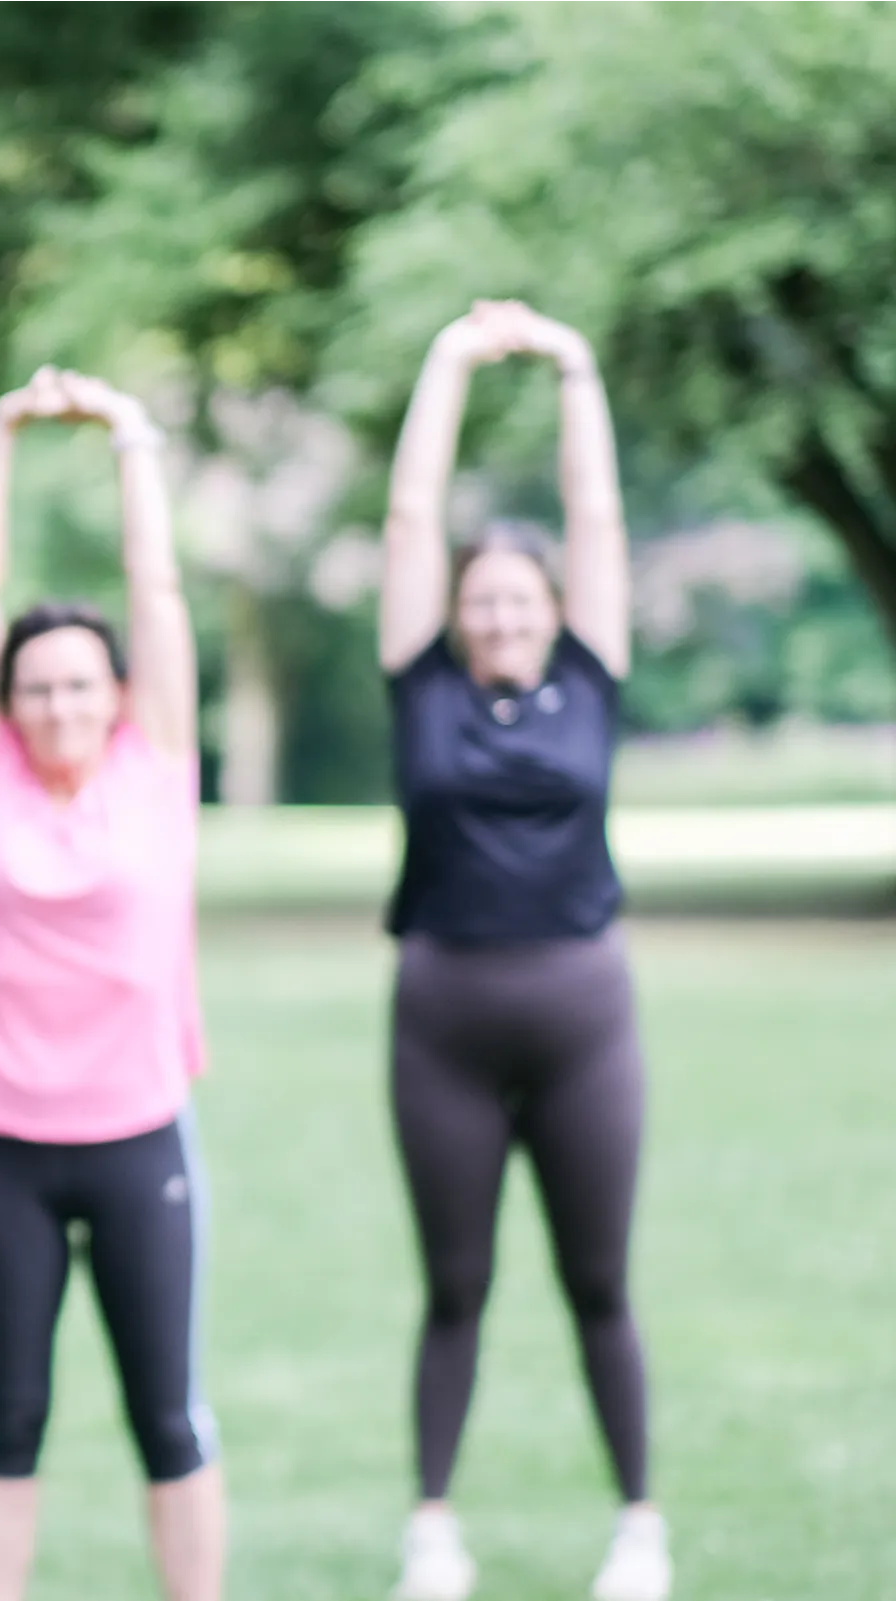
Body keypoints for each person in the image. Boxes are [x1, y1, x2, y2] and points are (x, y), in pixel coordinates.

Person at [378, 301, 666, 1601]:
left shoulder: (594, 675)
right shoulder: (423, 681)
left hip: (581, 1010)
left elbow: (599, 520)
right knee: (458, 1282)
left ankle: (638, 1525)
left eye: (519, 597)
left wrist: (575, 369)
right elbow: (406, 520)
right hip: (442, 1008)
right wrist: (445, 363)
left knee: (599, 1278)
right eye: (478, 597)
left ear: (556, 611)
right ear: (455, 611)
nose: (496, 614)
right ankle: (434, 1529)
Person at [0, 368, 224, 1601]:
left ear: (117, 695)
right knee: (11, 1412)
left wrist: (131, 442)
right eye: (35, 683)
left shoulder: (155, 761)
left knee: (167, 1413)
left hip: (137, 1135)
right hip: (3, 1142)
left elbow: (157, 595)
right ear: (7, 701)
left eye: (78, 682)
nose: (57, 701)